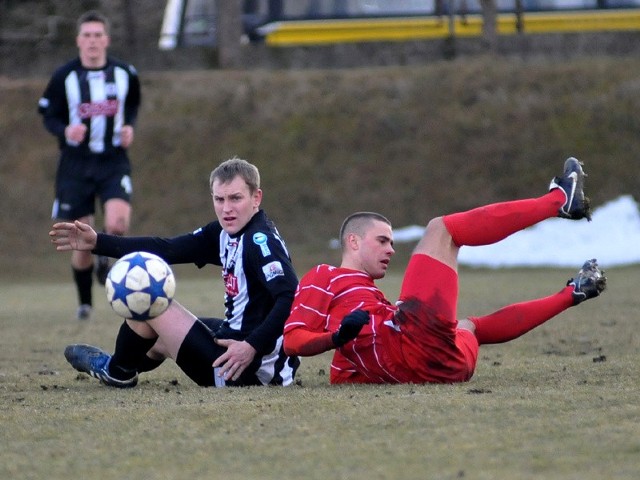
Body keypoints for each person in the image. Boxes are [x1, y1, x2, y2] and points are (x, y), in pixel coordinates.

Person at [283, 157, 607, 384]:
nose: (391, 249)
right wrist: (336, 337)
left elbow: (347, 371)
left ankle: (572, 293)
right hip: (421, 352)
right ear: (352, 241)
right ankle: (557, 202)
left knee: (470, 326)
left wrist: (346, 349)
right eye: (382, 240)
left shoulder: (367, 299)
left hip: (445, 365)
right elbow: (294, 340)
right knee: (442, 229)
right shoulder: (326, 276)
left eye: (392, 242)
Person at [50, 158, 300, 388]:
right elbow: (166, 249)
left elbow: (290, 296)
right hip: (240, 346)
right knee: (159, 333)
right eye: (219, 199)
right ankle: (122, 365)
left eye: (236, 198)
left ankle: (116, 371)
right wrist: (97, 242)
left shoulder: (259, 242)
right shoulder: (225, 233)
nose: (226, 209)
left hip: (246, 372)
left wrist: (250, 346)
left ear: (256, 198)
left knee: (149, 298)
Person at [38, 10, 141, 320]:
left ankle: (106, 264)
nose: (93, 41)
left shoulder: (125, 73)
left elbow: (132, 105)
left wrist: (129, 128)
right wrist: (65, 131)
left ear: (106, 40)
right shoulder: (64, 77)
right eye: (87, 35)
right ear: (78, 40)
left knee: (117, 225)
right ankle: (85, 303)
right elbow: (47, 113)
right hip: (75, 165)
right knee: (80, 241)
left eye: (98, 35)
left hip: (113, 160)